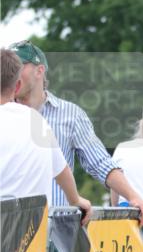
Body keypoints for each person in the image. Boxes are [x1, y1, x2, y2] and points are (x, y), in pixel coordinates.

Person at [8, 40, 143, 225]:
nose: (12, 73)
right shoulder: (4, 114)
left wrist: (132, 195)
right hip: (10, 229)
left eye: (19, 66)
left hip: (56, 231)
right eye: (10, 68)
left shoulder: (70, 115)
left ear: (39, 70)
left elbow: (100, 162)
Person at [0, 48, 91, 222]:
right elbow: (63, 171)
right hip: (33, 236)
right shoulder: (37, 121)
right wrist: (76, 200)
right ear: (17, 85)